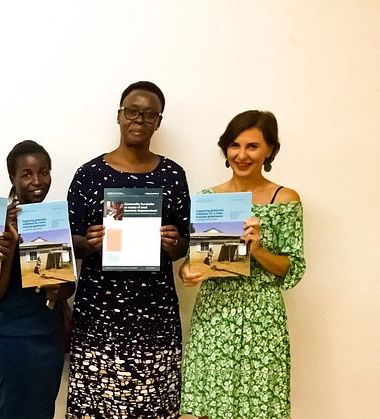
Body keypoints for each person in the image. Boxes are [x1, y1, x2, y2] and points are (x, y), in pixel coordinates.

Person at [65, 81, 190, 418]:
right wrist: (87, 243)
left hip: (156, 318)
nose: (139, 119)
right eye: (132, 111)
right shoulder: (89, 175)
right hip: (98, 317)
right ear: (119, 117)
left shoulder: (173, 176)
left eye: (149, 114)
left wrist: (172, 242)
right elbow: (65, 243)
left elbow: (184, 245)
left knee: (154, 407)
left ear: (158, 122)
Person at [179, 110, 306, 419]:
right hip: (213, 316)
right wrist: (187, 273)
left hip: (262, 318)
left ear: (270, 150)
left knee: (259, 407)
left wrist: (258, 250)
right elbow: (190, 260)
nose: (242, 154)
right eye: (234, 145)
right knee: (201, 407)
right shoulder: (207, 199)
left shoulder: (284, 199)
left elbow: (292, 267)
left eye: (252, 146)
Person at [0, 140, 75, 419]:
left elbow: (67, 286)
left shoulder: (55, 221)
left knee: (42, 412)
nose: (37, 181)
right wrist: (10, 240)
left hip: (49, 333)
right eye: (26, 174)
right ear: (12, 177)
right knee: (12, 412)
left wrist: (56, 288)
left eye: (44, 172)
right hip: (12, 335)